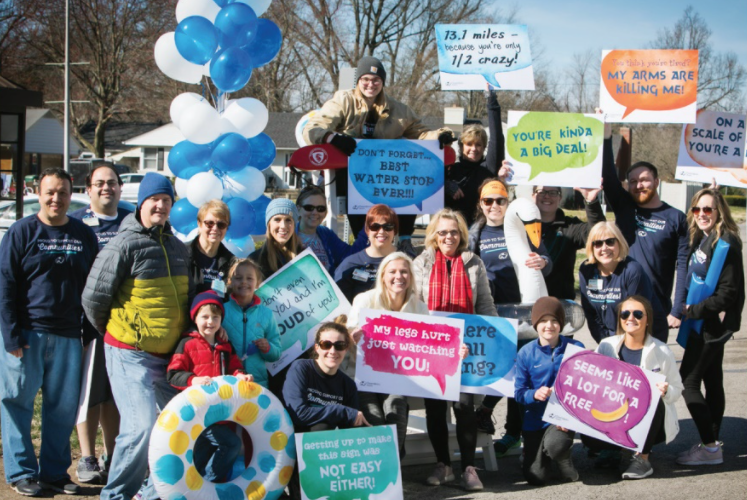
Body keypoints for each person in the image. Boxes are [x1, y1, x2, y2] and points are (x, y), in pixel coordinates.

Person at [82, 172, 193, 500]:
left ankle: (149, 494)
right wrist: (120, 332)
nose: (160, 206)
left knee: (177, 428)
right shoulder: (124, 243)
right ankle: (114, 495)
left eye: (166, 200)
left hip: (169, 357)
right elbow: (93, 298)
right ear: (141, 203)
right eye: (154, 200)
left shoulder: (175, 246)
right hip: (129, 353)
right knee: (141, 427)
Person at [0, 168, 98, 497]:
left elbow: (92, 290)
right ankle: (22, 472)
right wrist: (11, 337)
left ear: (72, 195)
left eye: (63, 193)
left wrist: (88, 336)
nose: (56, 198)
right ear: (39, 194)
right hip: (27, 336)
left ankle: (55, 473)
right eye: (50, 192)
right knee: (17, 404)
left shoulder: (84, 235)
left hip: (70, 337)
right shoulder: (20, 232)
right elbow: (5, 287)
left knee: (62, 409)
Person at [302, 55, 455, 255]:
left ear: (382, 82)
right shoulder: (344, 100)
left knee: (410, 172)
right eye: (365, 79)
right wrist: (332, 137)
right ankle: (362, 244)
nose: (370, 84)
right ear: (358, 81)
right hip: (351, 175)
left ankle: (405, 239)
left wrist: (440, 135)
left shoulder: (398, 109)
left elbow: (420, 132)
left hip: (387, 175)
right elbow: (313, 128)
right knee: (360, 215)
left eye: (376, 80)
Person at [413, 208, 494, 491]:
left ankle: (469, 468)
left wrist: (492, 336)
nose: (448, 236)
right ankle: (443, 465)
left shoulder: (474, 263)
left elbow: (484, 303)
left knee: (464, 407)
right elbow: (414, 304)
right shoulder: (421, 262)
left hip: (466, 347)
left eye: (454, 231)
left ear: (461, 234)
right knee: (434, 410)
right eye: (443, 231)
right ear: (434, 234)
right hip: (432, 347)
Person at [468, 178, 551, 454]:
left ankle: (515, 432)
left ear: (508, 202)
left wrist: (543, 262)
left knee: (522, 373)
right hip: (493, 313)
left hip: (524, 313)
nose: (494, 206)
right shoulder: (475, 235)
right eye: (488, 201)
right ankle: (486, 412)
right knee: (500, 368)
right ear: (480, 204)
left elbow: (545, 261)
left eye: (500, 200)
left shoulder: (521, 226)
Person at [69, 165, 132, 484]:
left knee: (114, 394)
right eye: (99, 183)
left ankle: (111, 455)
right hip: (89, 322)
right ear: (88, 189)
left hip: (123, 323)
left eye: (112, 183)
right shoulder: (77, 222)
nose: (106, 188)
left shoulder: (131, 219)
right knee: (88, 393)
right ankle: (87, 457)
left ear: (121, 188)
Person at [600, 119, 688, 335]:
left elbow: (683, 266)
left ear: (656, 181)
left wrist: (677, 310)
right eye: (633, 181)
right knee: (621, 367)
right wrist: (606, 136)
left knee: (653, 369)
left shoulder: (676, 217)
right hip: (622, 304)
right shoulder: (624, 206)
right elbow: (609, 176)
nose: (639, 185)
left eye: (645, 180)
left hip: (655, 309)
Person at [676, 189, 744, 466]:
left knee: (688, 382)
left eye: (708, 209)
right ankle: (713, 442)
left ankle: (710, 447)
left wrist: (691, 311)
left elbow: (727, 293)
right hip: (704, 322)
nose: (702, 214)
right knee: (712, 380)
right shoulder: (704, 239)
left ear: (719, 212)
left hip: (709, 324)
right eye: (697, 209)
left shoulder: (726, 242)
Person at [587, 296, 683, 478]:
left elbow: (677, 389)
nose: (630, 318)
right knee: (589, 429)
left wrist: (665, 391)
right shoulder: (606, 346)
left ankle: (643, 459)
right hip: (615, 415)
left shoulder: (662, 351)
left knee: (652, 399)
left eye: (638, 314)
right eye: (625, 314)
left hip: (649, 422)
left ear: (648, 320)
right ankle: (613, 449)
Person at [347, 252, 428, 456]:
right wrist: (352, 336)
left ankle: (393, 465)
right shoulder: (364, 300)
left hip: (399, 376)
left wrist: (454, 351)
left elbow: (429, 346)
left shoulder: (419, 307)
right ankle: (379, 467)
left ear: (411, 276)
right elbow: (347, 336)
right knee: (373, 416)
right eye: (392, 271)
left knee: (396, 407)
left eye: (404, 271)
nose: (398, 276)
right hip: (363, 374)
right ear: (383, 275)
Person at [166, 292, 254, 482]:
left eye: (215, 317)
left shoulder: (224, 344)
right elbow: (173, 375)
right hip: (197, 415)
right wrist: (192, 380)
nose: (210, 322)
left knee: (200, 456)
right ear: (195, 318)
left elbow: (234, 367)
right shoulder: (187, 344)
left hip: (221, 414)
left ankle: (193, 487)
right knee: (231, 444)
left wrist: (241, 376)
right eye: (204, 316)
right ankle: (208, 484)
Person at [283, 319, 369, 500]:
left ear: (346, 349)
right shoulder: (301, 369)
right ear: (317, 347)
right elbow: (300, 414)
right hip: (295, 445)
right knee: (320, 427)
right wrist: (341, 410)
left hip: (330, 456)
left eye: (339, 345)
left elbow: (350, 427)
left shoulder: (347, 384)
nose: (332, 351)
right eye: (326, 344)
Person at [515, 297, 584, 485]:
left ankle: (563, 457)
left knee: (556, 445)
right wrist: (534, 394)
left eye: (554, 320)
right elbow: (519, 393)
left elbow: (585, 388)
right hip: (535, 420)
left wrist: (569, 417)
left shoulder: (576, 349)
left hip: (562, 418)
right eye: (543, 321)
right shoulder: (526, 353)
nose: (549, 326)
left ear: (561, 324)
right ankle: (542, 457)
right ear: (535, 324)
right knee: (535, 477)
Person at [579, 221, 668, 344]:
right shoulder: (586, 270)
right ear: (591, 247)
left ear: (619, 243)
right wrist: (605, 344)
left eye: (610, 242)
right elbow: (591, 314)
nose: (604, 248)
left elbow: (637, 317)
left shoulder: (632, 271)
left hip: (644, 335)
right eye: (598, 243)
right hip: (611, 336)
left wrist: (622, 349)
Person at [445, 90, 510, 226]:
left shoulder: (489, 168)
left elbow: (497, 138)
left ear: (484, 147)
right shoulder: (451, 170)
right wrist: (446, 185)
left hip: (482, 231)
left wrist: (491, 100)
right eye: (469, 144)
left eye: (479, 145)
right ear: (462, 146)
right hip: (455, 232)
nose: (474, 149)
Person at [532, 183, 606, 300]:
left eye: (553, 193)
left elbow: (599, 234)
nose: (547, 196)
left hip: (561, 303)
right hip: (525, 301)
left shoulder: (570, 226)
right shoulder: (519, 226)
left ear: (560, 198)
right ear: (533, 196)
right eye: (541, 192)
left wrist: (591, 201)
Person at [222, 259, 281, 389]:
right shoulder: (221, 311)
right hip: (228, 382)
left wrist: (267, 347)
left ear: (257, 284)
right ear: (230, 282)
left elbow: (276, 353)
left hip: (257, 383)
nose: (244, 282)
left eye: (249, 278)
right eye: (238, 278)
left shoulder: (266, 314)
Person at [334, 204, 399, 302]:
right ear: (367, 231)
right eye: (375, 227)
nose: (381, 231)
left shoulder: (406, 262)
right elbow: (339, 304)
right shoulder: (350, 264)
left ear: (395, 231)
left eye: (388, 226)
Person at [295, 185, 365, 274]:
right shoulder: (289, 235)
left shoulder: (326, 234)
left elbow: (350, 255)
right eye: (309, 207)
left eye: (321, 209)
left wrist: (369, 229)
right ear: (298, 209)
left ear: (325, 213)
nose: (315, 212)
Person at [187, 200, 236, 296]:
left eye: (221, 225)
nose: (215, 228)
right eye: (209, 223)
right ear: (199, 224)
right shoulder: (181, 254)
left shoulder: (232, 263)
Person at [250, 198, 304, 280]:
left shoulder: (305, 257)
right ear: (269, 224)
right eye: (277, 219)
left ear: (294, 225)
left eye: (288, 220)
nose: (283, 226)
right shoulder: (255, 260)